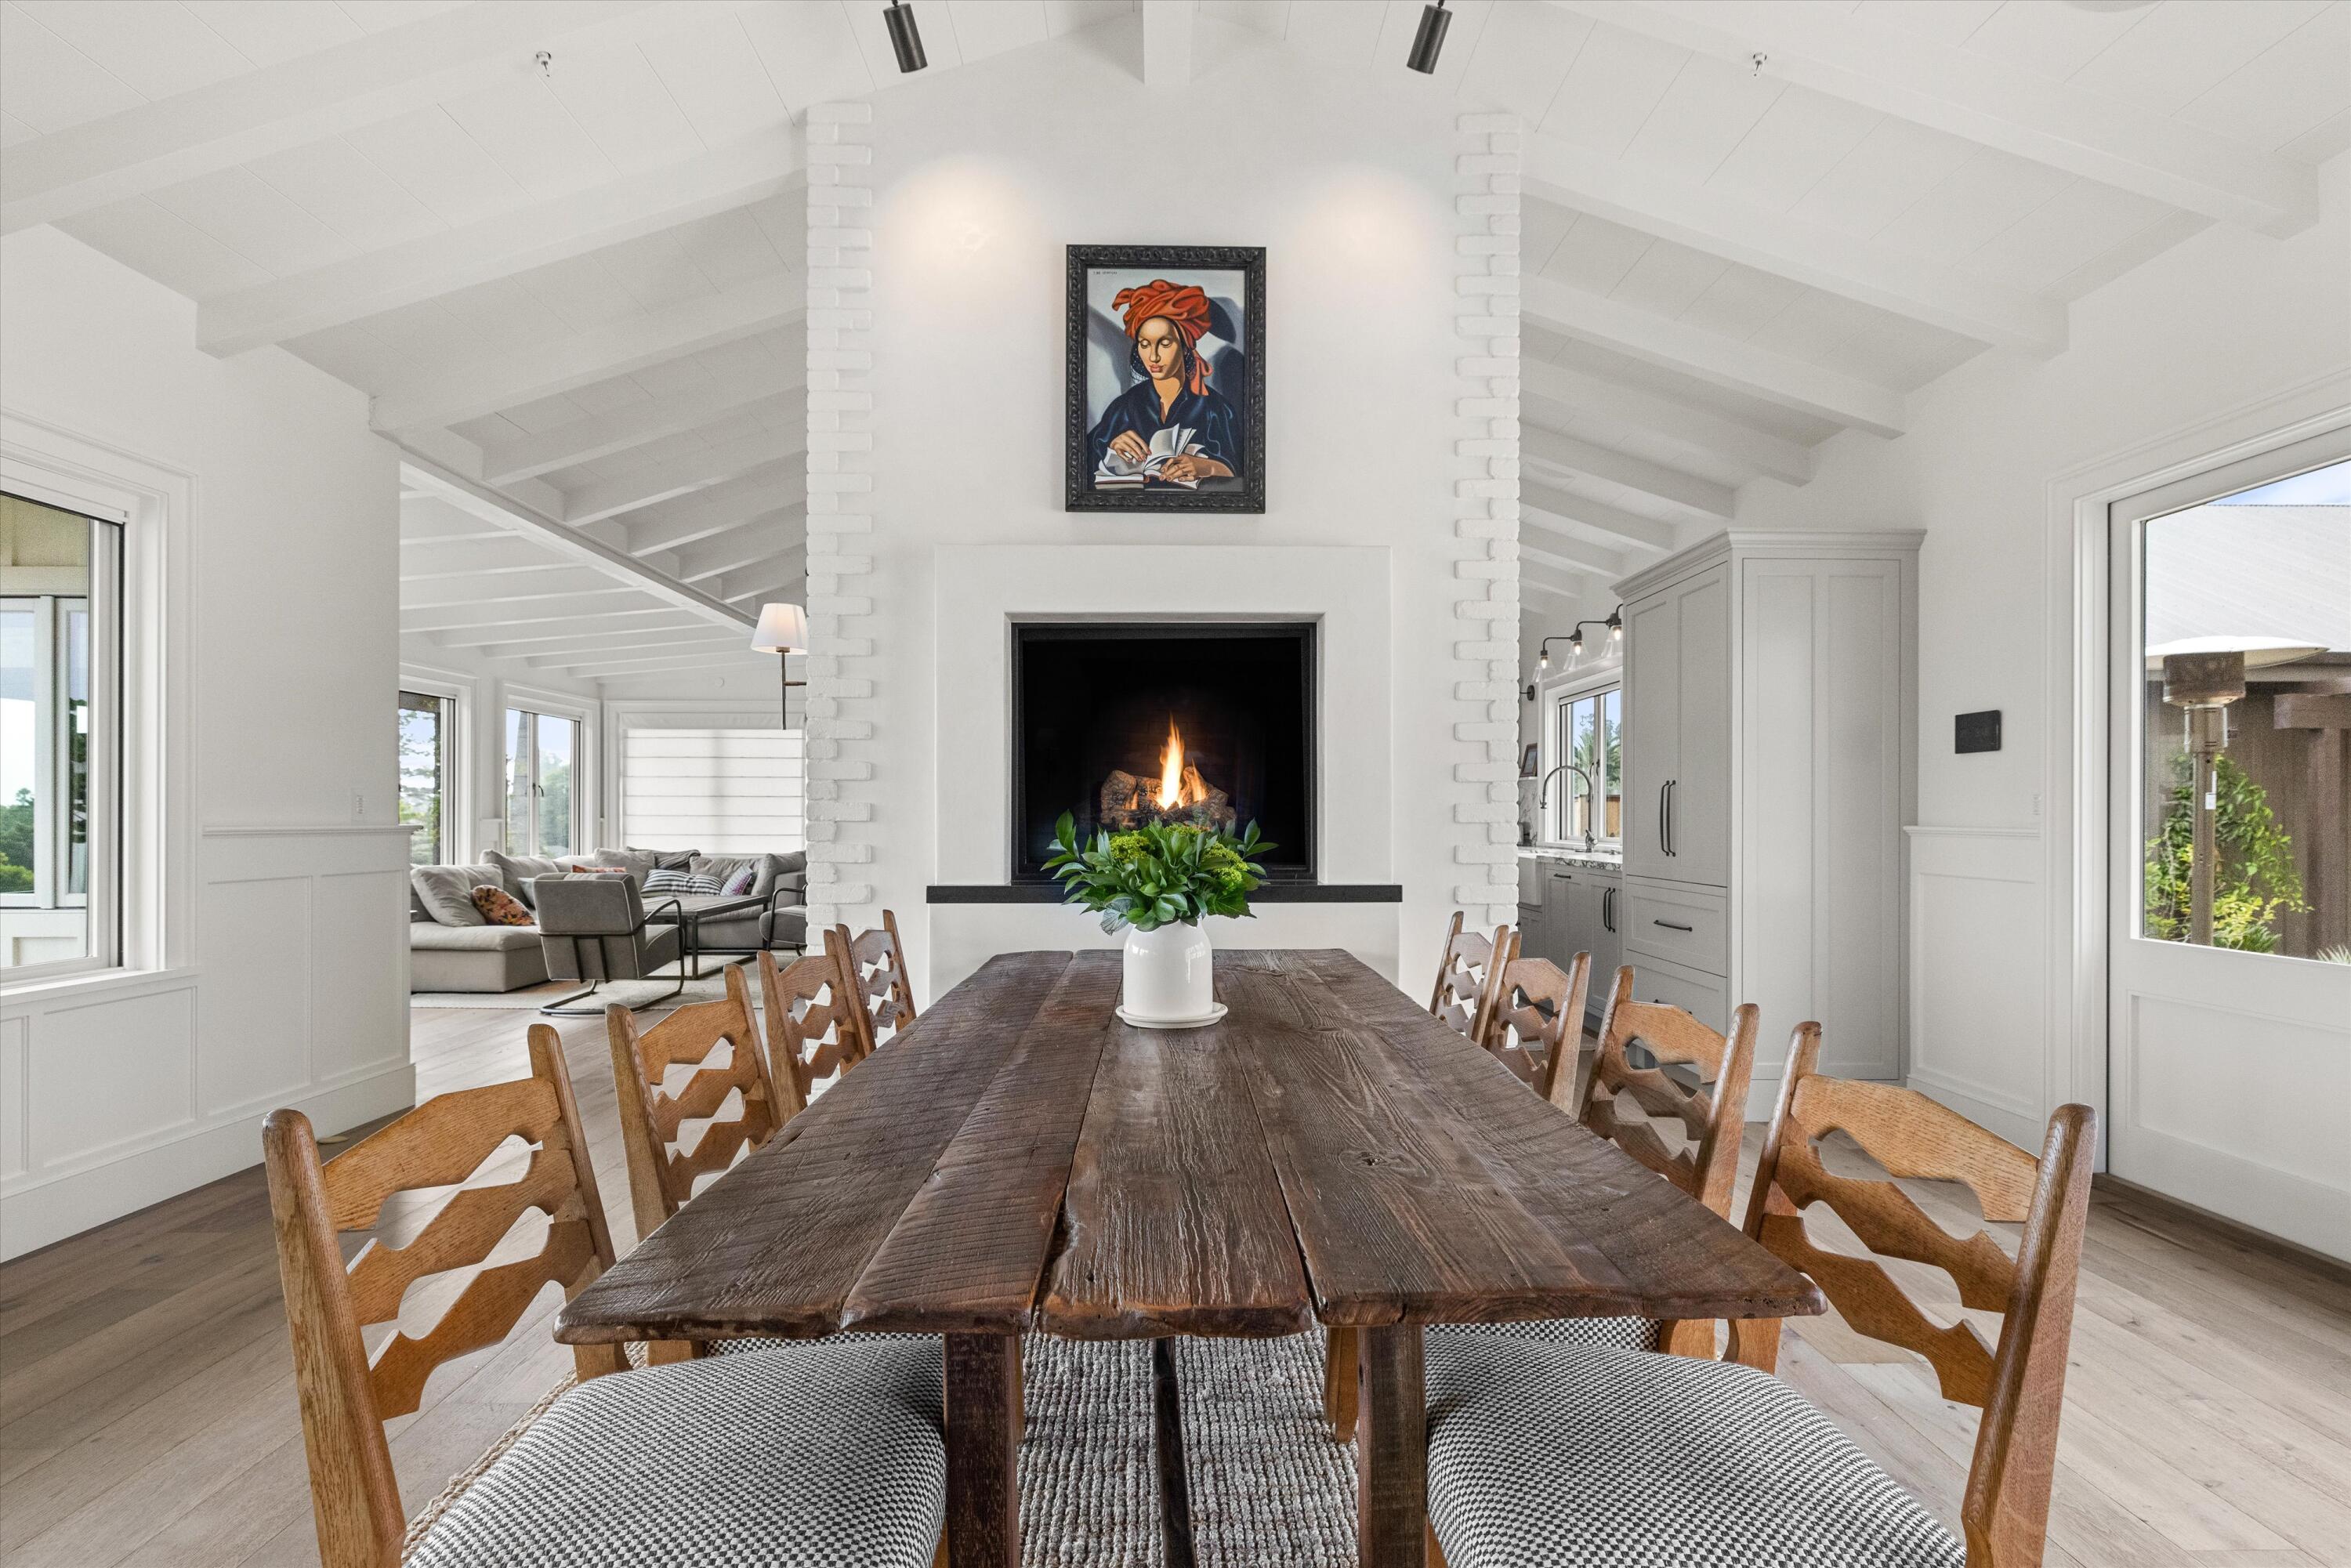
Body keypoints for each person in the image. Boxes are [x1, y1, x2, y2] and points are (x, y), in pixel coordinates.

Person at [1086, 279, 1244, 484]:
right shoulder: (1125, 406)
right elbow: (1080, 464)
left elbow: (1243, 476)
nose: (1153, 356)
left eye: (1165, 343)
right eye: (1145, 344)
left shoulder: (1217, 409)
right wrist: (1110, 445)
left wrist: (1207, 467)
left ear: (1186, 346)